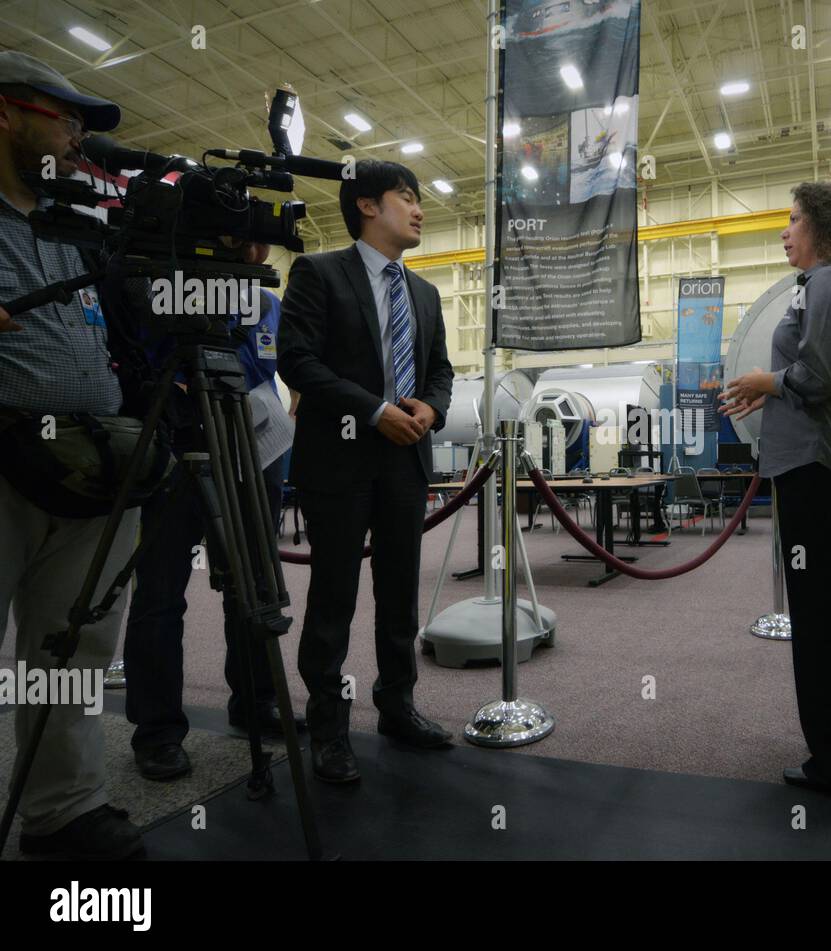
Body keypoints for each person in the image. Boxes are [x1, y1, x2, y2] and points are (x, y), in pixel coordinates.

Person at [0, 51, 143, 858]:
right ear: (6, 113)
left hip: (88, 464)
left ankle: (61, 806)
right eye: (63, 115)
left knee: (73, 643)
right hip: (4, 455)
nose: (78, 133)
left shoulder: (70, 225)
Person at [278, 159, 455, 783]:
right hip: (341, 459)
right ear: (367, 207)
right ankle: (328, 727)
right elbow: (296, 361)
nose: (419, 210)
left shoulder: (425, 293)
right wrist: (375, 409)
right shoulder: (319, 272)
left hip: (406, 461)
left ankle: (397, 707)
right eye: (406, 197)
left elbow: (441, 371)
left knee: (400, 591)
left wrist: (429, 407)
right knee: (333, 598)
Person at [721, 181, 831, 794]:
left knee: (826, 619)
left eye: (793, 219)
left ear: (822, 226)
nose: (784, 231)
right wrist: (768, 385)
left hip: (819, 467)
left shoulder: (828, 282)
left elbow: (817, 376)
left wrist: (764, 382)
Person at [121, 284, 305, 782]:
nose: (252, 243)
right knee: (160, 594)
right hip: (174, 445)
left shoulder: (267, 302)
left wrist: (291, 407)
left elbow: (288, 362)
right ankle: (157, 731)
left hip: (254, 447)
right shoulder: (162, 286)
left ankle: (256, 702)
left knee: (255, 587)